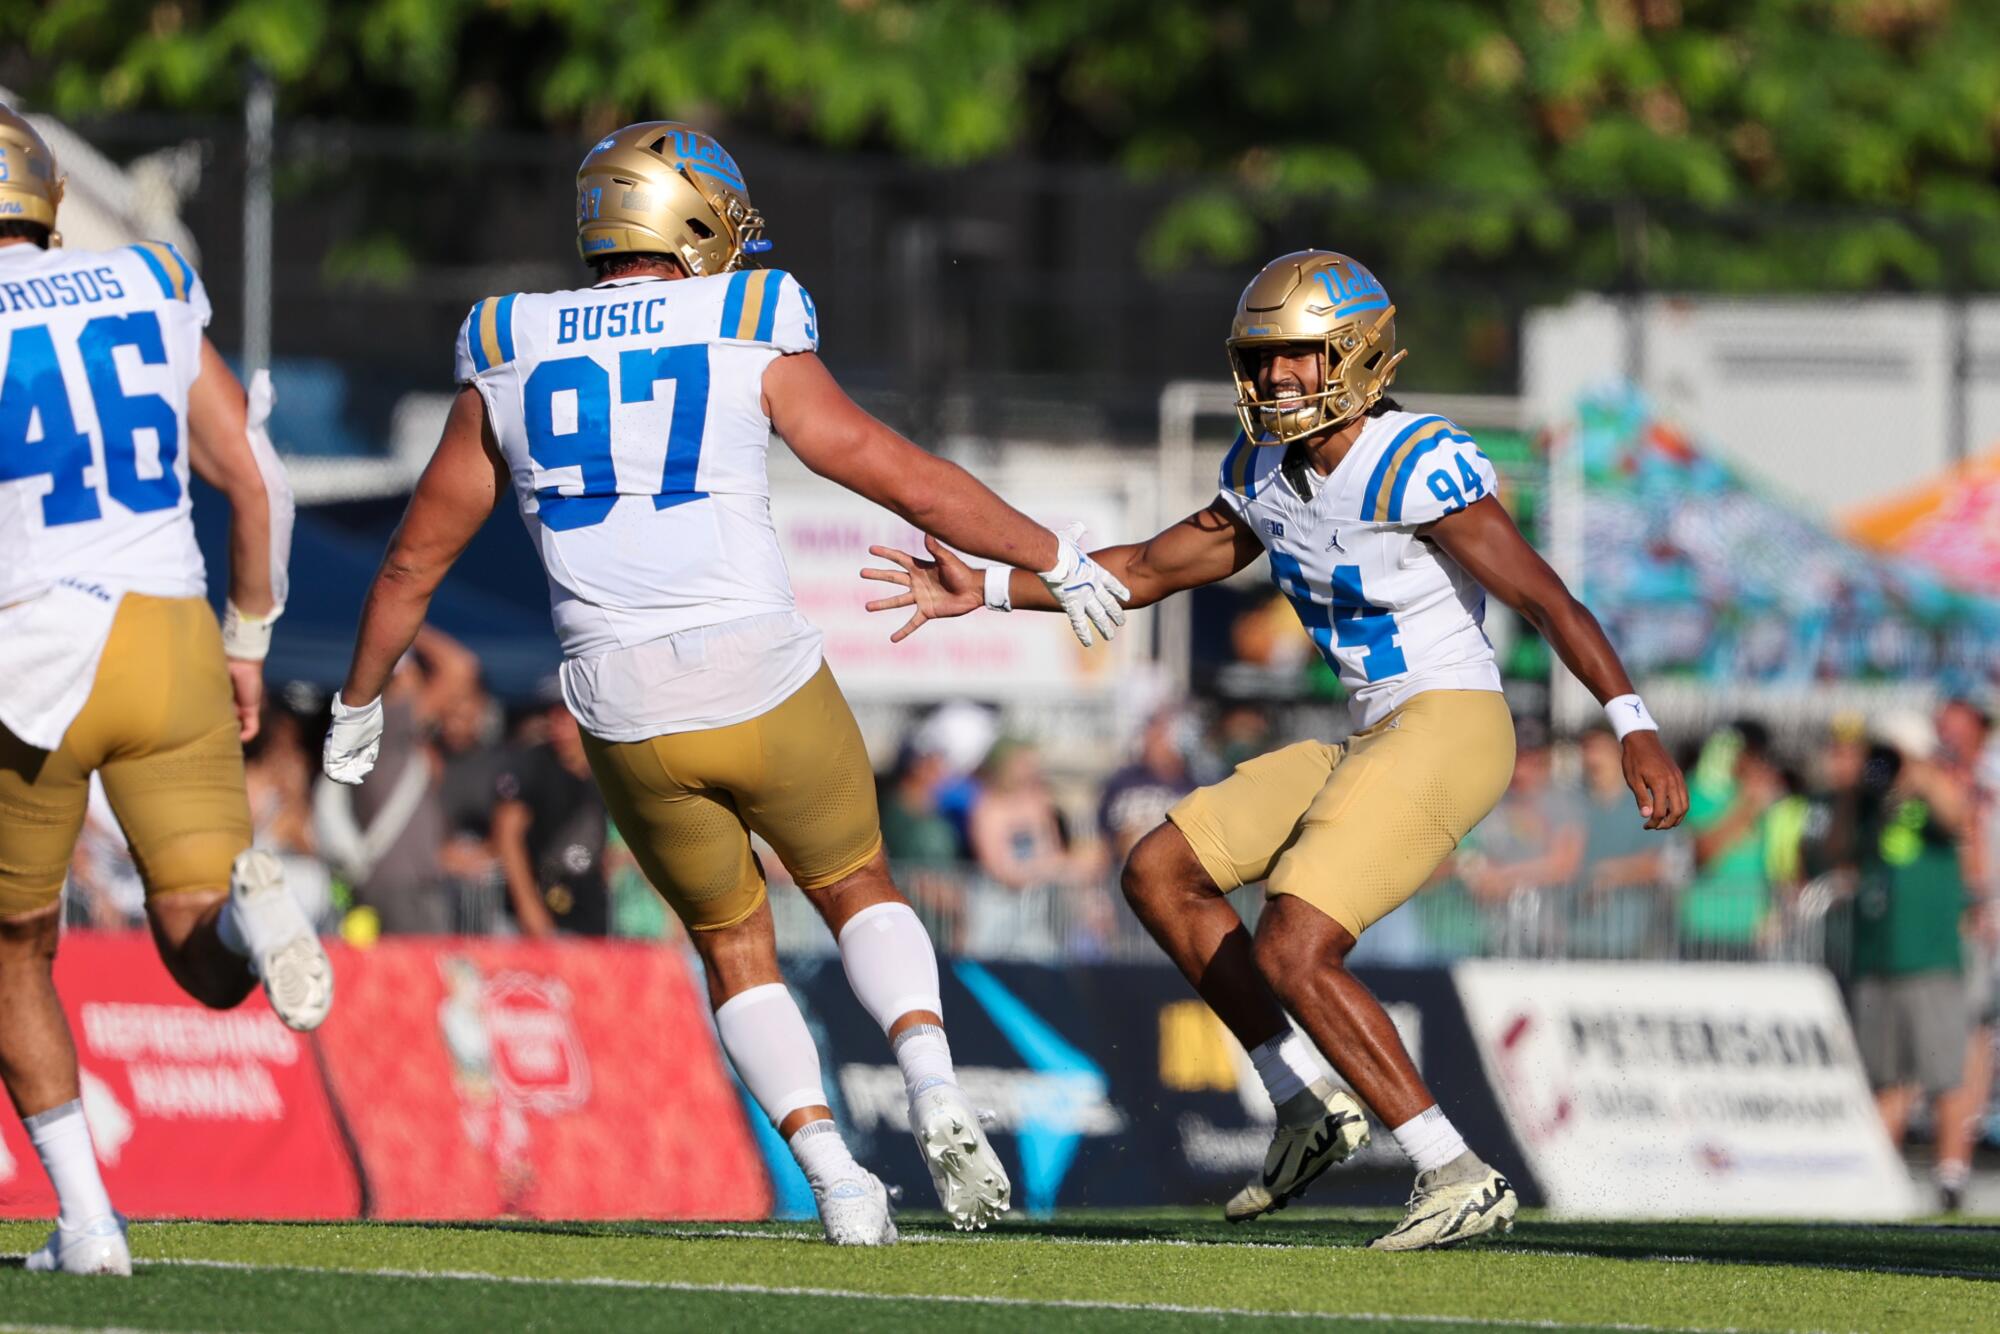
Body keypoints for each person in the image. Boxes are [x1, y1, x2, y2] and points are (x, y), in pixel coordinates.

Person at [319, 122, 1127, 1244]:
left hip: (617, 697)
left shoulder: (507, 337)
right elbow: (892, 470)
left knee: (731, 942)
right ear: (689, 215)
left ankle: (836, 1176)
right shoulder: (747, 318)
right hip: (757, 668)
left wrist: (358, 699)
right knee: (855, 884)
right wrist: (1050, 553)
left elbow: (413, 556)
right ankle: (936, 1083)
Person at [863, 248, 1687, 1249]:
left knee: (1294, 942)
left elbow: (1542, 596)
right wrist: (985, 589)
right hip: (1370, 730)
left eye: (1296, 358)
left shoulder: (1414, 458)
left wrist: (1630, 721)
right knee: (1160, 871)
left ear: (1357, 355)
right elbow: (1143, 569)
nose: (1272, 381)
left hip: (1453, 719)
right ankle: (1300, 1099)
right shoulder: (1260, 472)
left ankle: (1452, 1166)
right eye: (1259, 360)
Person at [0, 107, 330, 1276]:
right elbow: (258, 480)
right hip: (172, 631)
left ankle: (90, 1224)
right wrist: (247, 640)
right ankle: (257, 911)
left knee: (13, 948)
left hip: (31, 654)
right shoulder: (144, 276)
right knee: (199, 944)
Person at [491, 701, 611, 938]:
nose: (559, 727)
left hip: (594, 909)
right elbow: (507, 833)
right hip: (538, 906)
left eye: (568, 718)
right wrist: (528, 906)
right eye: (555, 718)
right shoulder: (532, 764)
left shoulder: (610, 768)